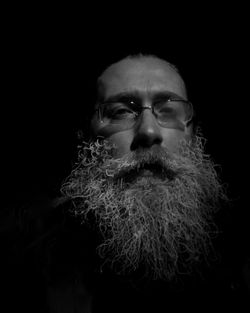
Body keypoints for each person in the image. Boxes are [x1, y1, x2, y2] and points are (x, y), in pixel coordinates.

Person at [2, 54, 248, 313]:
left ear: (194, 136)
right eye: (122, 111)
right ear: (86, 141)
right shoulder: (25, 264)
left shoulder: (240, 260)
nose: (148, 132)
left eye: (168, 110)